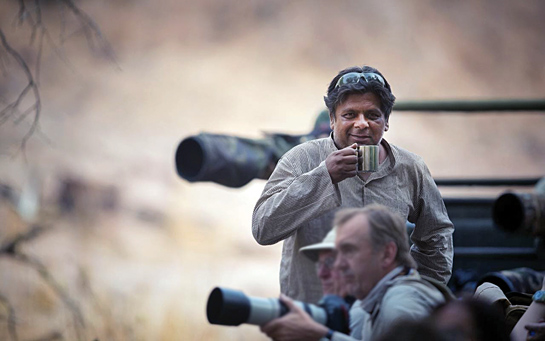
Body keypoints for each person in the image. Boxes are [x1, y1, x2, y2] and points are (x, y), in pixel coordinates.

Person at [252, 65, 454, 303]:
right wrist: (325, 176)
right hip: (313, 316)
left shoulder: (410, 167)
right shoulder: (302, 159)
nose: (362, 124)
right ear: (332, 119)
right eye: (349, 115)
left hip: (380, 320)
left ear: (386, 121)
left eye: (372, 115)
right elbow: (263, 228)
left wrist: (416, 293)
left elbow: (437, 234)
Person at [260, 205, 446, 340]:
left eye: (348, 251)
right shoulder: (371, 304)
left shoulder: (400, 305)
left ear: (387, 254)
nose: (338, 265)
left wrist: (322, 336)